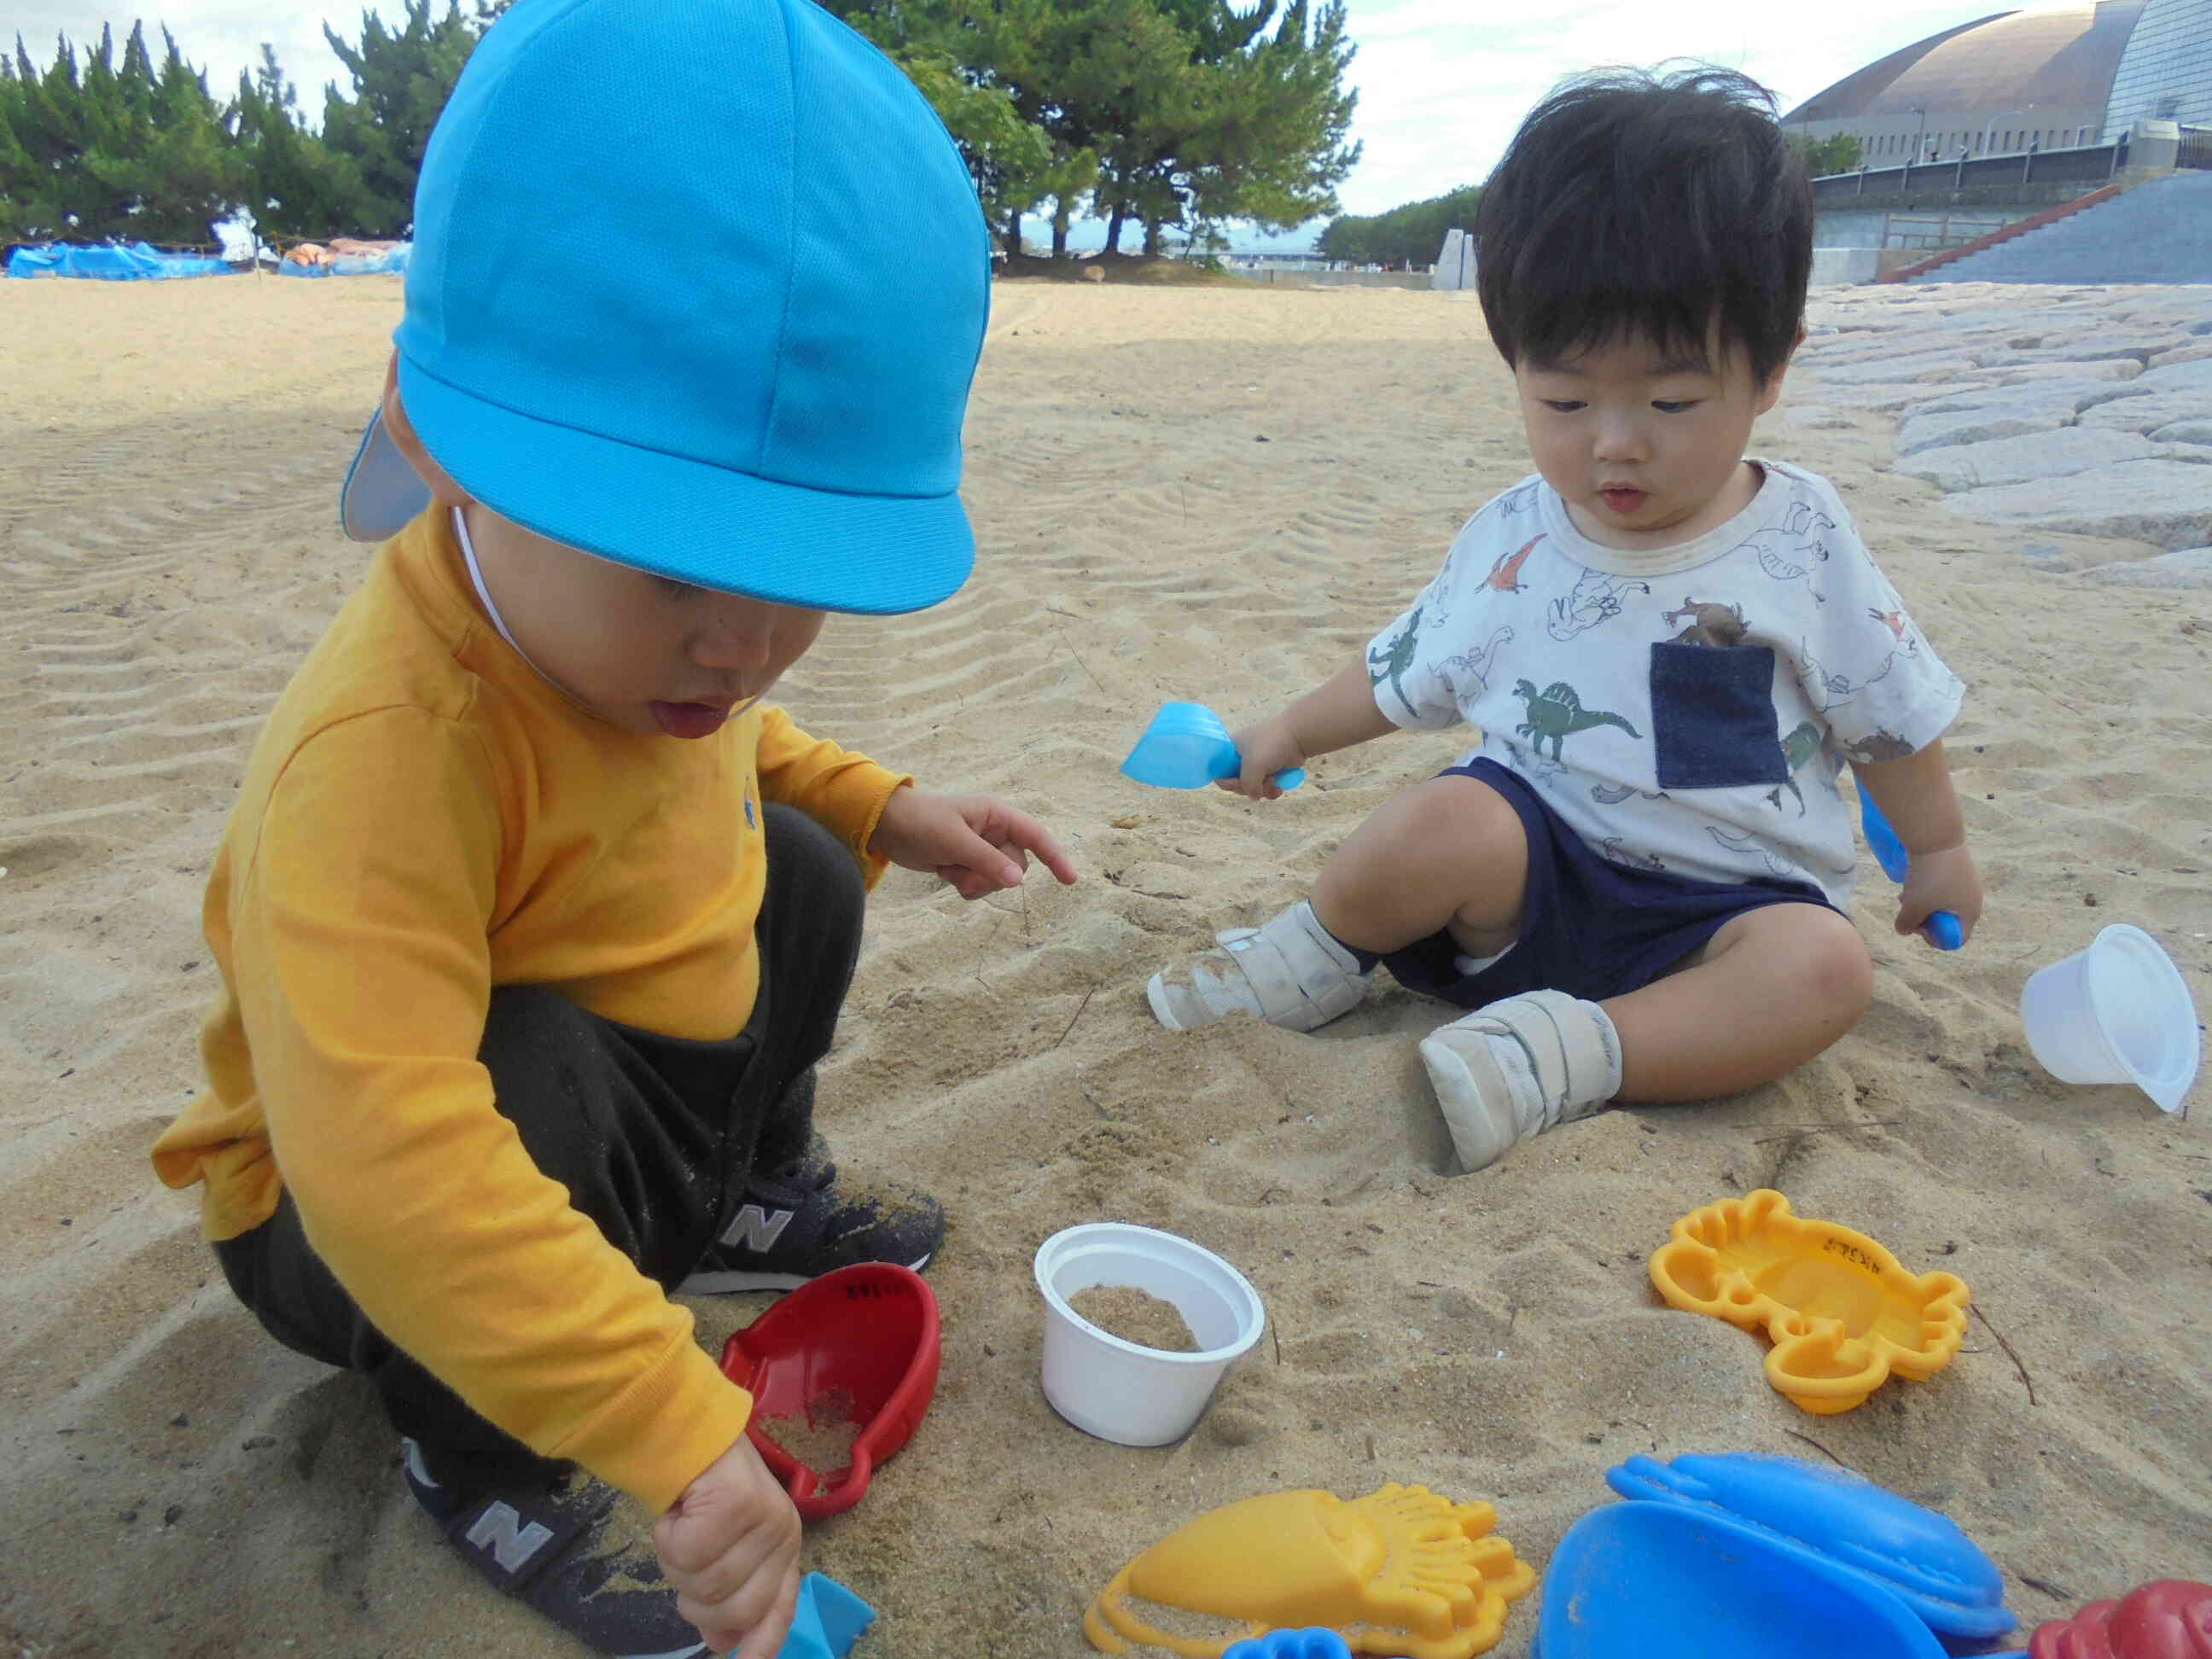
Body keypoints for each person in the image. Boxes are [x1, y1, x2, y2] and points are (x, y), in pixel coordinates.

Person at [148, 2, 1077, 1655]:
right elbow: (391, 1161)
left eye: (799, 581)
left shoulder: (658, 669)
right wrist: (668, 1426)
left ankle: (742, 1195)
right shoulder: (383, 755)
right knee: (525, 1067)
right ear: (443, 442)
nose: (742, 642)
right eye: (671, 567)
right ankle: (479, 1447)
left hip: (636, 1080)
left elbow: (732, 748)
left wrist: (883, 805)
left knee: (796, 863)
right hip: (357, 1210)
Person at [1144, 66, 1982, 1176]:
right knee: (1441, 817)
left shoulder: (1805, 539)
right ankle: (1312, 956)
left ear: (1771, 372)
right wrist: (1288, 733)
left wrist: (1937, 849)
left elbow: (1888, 710)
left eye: (1672, 402)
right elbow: (1411, 669)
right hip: (1527, 881)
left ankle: (1572, 1055)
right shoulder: (1518, 534)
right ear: (1516, 369)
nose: (1615, 444)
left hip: (1729, 917)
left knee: (1827, 971)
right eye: (1565, 401)